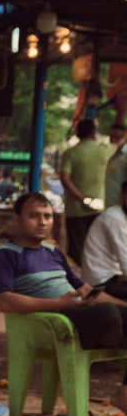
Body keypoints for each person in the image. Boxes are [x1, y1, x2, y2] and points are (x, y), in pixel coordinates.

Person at [0, 191, 127, 414]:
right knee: (108, 314)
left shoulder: (54, 253)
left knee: (115, 312)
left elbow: (86, 292)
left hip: (74, 314)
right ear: (16, 219)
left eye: (47, 216)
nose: (42, 222)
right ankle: (115, 336)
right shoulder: (5, 255)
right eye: (34, 216)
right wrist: (58, 303)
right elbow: (4, 302)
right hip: (47, 324)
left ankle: (125, 394)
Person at [59, 118, 109, 263]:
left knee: (77, 248)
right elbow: (119, 140)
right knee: (96, 246)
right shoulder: (104, 151)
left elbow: (64, 178)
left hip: (75, 209)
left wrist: (81, 198)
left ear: (77, 133)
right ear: (94, 132)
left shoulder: (70, 153)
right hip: (98, 208)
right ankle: (93, 281)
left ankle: (81, 278)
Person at [82, 176, 127, 302]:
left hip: (113, 278)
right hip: (101, 283)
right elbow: (125, 263)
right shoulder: (115, 218)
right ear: (121, 198)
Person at [105, 120, 127, 210]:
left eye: (117, 137)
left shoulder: (125, 156)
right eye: (111, 136)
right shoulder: (107, 153)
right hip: (105, 204)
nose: (113, 140)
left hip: (119, 206)